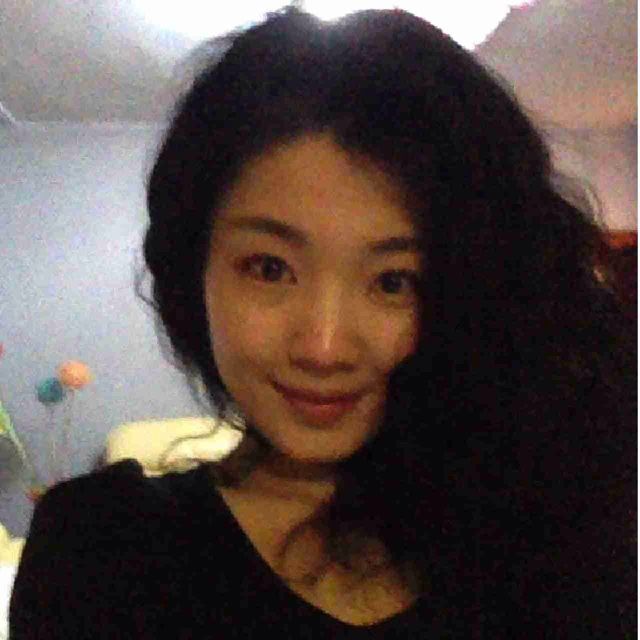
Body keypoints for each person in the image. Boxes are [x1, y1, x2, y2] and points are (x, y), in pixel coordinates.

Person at [10, 5, 636, 637]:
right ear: (194, 268)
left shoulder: (557, 535)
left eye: (394, 281)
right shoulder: (102, 554)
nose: (324, 347)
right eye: (270, 268)